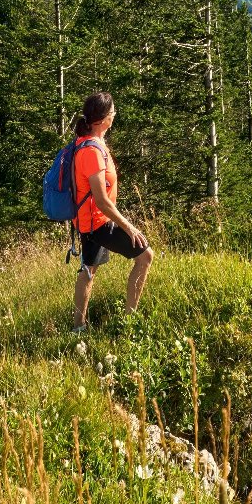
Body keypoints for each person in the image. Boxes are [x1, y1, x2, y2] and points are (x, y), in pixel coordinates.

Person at [70, 91, 154, 331]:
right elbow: (102, 201)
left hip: (89, 220)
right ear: (104, 118)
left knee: (88, 269)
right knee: (145, 256)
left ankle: (79, 327)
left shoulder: (90, 142)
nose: (115, 115)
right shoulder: (92, 152)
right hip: (98, 221)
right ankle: (129, 320)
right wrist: (129, 227)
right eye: (113, 112)